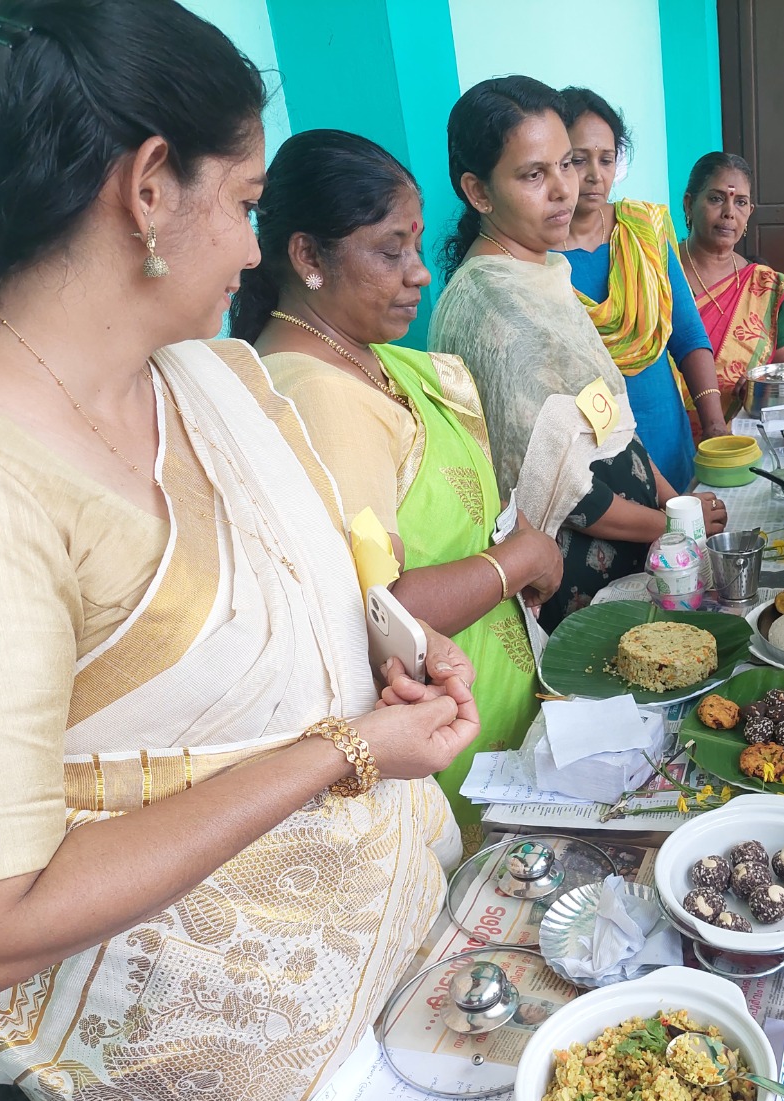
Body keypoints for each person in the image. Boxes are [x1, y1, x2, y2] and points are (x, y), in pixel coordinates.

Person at [0, 4, 478, 1101]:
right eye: (245, 203)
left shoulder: (215, 375)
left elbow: (300, 612)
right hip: (231, 1089)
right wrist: (344, 746)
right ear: (149, 189)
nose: (255, 250)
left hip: (402, 957)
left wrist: (396, 649)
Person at [231, 130, 558, 827]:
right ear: (307, 256)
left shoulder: (368, 361)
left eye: (415, 247)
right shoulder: (318, 393)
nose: (420, 273)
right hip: (436, 738)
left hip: (484, 706)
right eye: (390, 252)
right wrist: (521, 559)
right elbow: (378, 615)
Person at [428, 76, 725, 630]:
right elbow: (561, 492)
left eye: (566, 164)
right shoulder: (491, 303)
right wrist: (667, 526)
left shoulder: (543, 272)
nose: (566, 188)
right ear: (479, 191)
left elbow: (610, 423)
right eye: (535, 174)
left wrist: (671, 507)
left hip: (637, 548)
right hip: (580, 593)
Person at [557, 86, 724, 488]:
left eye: (607, 159)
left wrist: (714, 424)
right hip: (594, 465)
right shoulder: (536, 259)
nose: (596, 175)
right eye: (579, 160)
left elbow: (686, 334)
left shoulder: (642, 230)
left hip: (667, 436)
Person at [678, 152, 784, 415]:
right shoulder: (657, 274)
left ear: (750, 212)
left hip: (743, 441)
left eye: (740, 202)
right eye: (716, 199)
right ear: (689, 204)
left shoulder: (765, 287)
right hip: (665, 439)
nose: (729, 213)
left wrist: (763, 387)